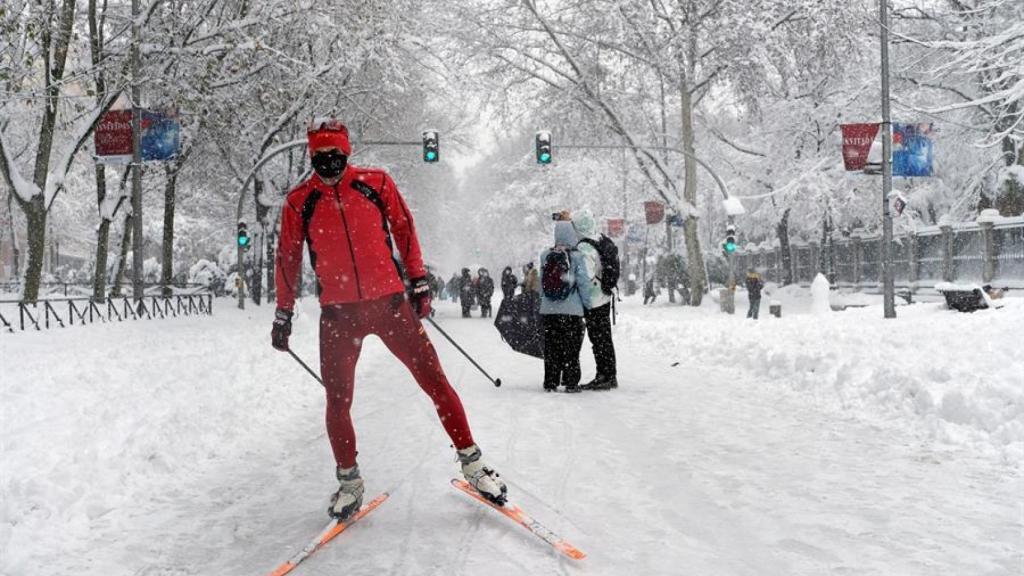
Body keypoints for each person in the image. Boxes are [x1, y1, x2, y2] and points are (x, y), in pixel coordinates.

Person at [271, 118, 506, 518]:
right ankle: (349, 481)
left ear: (348, 154)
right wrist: (283, 312)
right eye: (321, 156)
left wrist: (418, 281)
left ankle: (473, 462)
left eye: (336, 155)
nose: (329, 163)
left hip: (390, 306)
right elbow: (288, 257)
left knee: (435, 381)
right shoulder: (300, 200)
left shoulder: (375, 183)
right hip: (339, 315)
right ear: (312, 156)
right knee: (338, 400)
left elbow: (404, 229)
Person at [539, 219, 592, 392]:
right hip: (572, 311)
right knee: (571, 348)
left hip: (549, 311)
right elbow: (583, 283)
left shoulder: (545, 255)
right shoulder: (577, 256)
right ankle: (571, 382)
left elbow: (542, 284)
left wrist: (544, 302)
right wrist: (587, 305)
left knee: (552, 347)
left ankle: (551, 382)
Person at [573, 210, 618, 390]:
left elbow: (587, 275)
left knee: (598, 339)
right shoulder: (600, 239)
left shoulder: (584, 247)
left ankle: (604, 376)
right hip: (604, 295)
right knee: (604, 338)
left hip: (593, 299)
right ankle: (609, 374)